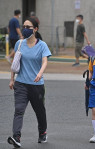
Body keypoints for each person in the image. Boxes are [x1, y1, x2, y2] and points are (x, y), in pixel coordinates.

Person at [7, 17, 51, 148]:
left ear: (35, 29)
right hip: (20, 83)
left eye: (28, 27)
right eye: (24, 26)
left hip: (36, 85)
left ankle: (42, 132)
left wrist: (40, 73)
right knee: (19, 110)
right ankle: (16, 137)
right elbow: (15, 63)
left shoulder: (42, 45)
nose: (25, 29)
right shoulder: (19, 43)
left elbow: (45, 61)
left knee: (39, 111)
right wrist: (12, 79)